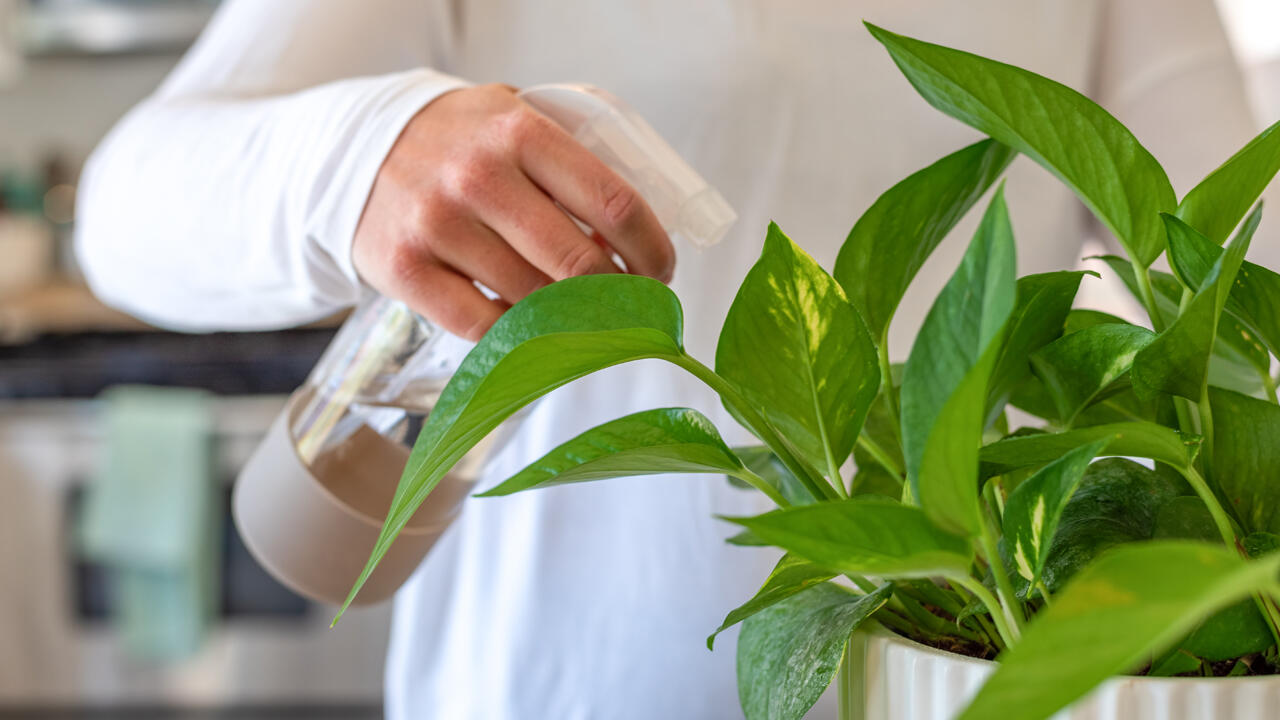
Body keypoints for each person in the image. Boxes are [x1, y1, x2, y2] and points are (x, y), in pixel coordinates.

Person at [75, 1, 1262, 717]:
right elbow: (126, 209)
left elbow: (1224, 246)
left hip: (952, 659)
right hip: (558, 685)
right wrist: (357, 155)